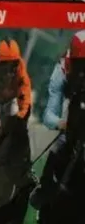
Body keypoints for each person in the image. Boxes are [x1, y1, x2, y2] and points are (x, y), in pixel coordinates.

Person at [32, 31, 85, 208]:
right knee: (60, 143)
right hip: (72, 118)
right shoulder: (61, 70)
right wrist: (63, 123)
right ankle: (45, 189)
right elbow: (49, 116)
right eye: (80, 66)